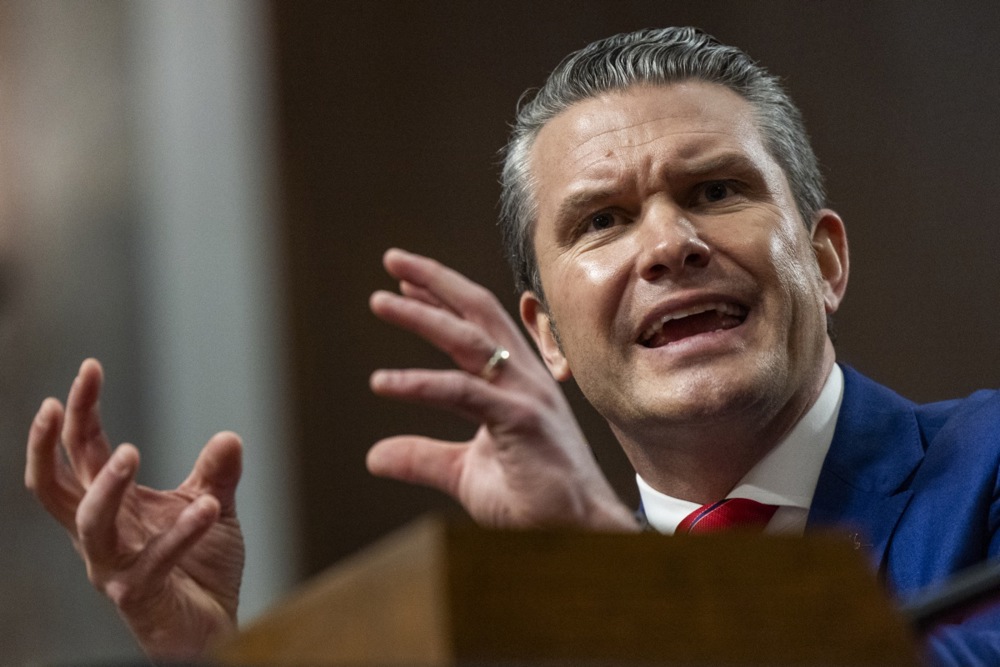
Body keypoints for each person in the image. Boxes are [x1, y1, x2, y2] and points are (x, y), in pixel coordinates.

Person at [24, 27, 1000, 664]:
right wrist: (207, 653)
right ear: (547, 339)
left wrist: (612, 556)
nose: (668, 244)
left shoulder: (985, 469)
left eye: (715, 191)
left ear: (824, 260)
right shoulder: (525, 631)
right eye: (602, 220)